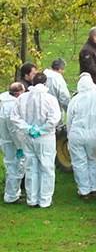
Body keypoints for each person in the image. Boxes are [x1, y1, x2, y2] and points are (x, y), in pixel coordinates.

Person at [10, 73, 61, 208]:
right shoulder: (50, 99)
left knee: (31, 167)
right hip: (45, 138)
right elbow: (54, 118)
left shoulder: (23, 98)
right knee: (46, 167)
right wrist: (42, 130)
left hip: (28, 137)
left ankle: (32, 199)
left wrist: (27, 128)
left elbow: (14, 117)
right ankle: (44, 200)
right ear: (45, 83)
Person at [0, 83, 25, 203]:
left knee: (12, 166)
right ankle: (11, 196)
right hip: (12, 142)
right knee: (15, 168)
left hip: (5, 139)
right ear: (18, 93)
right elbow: (14, 129)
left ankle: (14, 192)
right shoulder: (11, 106)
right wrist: (20, 146)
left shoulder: (4, 102)